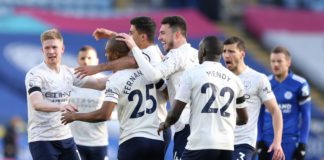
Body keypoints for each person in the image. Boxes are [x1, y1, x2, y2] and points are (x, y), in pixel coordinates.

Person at [75, 16, 171, 154]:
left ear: (143, 37)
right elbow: (129, 51)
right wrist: (113, 35)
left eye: (131, 33)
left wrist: (98, 68)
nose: (128, 36)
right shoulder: (147, 56)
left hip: (150, 129)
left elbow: (131, 60)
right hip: (154, 132)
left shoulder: (148, 56)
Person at [61, 37, 165, 160]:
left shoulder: (115, 79)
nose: (106, 54)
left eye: (107, 52)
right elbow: (166, 94)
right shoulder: (149, 72)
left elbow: (104, 114)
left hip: (131, 140)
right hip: (156, 139)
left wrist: (74, 116)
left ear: (115, 55)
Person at [118, 16, 198, 159]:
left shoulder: (177, 54)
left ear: (177, 34)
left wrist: (135, 48)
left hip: (186, 125)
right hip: (202, 124)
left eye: (163, 33)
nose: (159, 37)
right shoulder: (196, 54)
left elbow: (154, 75)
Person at [158, 36, 248, 160]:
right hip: (226, 146)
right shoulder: (235, 79)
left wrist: (165, 124)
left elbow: (175, 113)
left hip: (200, 144)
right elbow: (244, 119)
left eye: (199, 49)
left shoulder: (192, 73)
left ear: (204, 51)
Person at [25, 28, 107, 160]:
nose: (51, 51)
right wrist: (61, 106)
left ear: (62, 49)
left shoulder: (68, 73)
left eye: (54, 47)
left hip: (66, 138)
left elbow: (99, 84)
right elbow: (37, 103)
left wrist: (123, 72)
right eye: (47, 48)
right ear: (42, 50)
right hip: (42, 139)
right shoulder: (35, 74)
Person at [222, 36, 285, 160]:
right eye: (224, 51)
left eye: (231, 51)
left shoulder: (257, 78)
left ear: (242, 54)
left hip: (243, 143)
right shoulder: (219, 77)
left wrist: (277, 142)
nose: (226, 55)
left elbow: (275, 110)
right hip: (219, 142)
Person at [257, 46, 311, 160]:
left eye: (279, 61)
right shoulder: (265, 83)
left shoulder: (300, 84)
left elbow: (306, 116)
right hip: (267, 141)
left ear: (288, 62)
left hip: (289, 141)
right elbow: (259, 115)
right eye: (273, 61)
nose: (275, 64)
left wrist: (303, 144)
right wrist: (259, 140)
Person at [69, 45, 109, 160]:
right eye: (82, 58)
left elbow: (114, 110)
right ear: (77, 61)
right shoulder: (70, 81)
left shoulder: (105, 82)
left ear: (96, 61)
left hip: (98, 142)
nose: (86, 61)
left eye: (89, 58)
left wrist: (110, 115)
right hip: (74, 141)